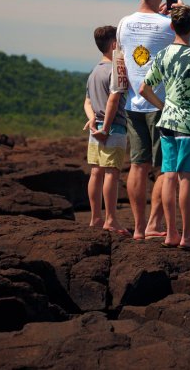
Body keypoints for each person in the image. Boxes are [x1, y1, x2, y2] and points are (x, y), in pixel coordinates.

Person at [114, 0, 190, 240]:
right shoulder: (168, 25)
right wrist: (182, 8)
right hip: (163, 105)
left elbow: (120, 56)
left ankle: (138, 228)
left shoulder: (124, 23)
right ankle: (153, 224)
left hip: (133, 103)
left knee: (138, 165)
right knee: (167, 169)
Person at [138, 4, 190, 250]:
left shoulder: (162, 55)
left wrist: (163, 105)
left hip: (166, 122)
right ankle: (187, 237)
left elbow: (143, 88)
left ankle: (170, 233)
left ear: (171, 26)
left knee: (168, 177)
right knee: (186, 179)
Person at [83, 25, 128, 235]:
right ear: (113, 45)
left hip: (95, 129)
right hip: (114, 128)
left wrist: (92, 121)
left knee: (96, 173)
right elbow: (114, 99)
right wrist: (107, 128)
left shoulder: (94, 71)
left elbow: (87, 102)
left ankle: (95, 218)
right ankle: (111, 220)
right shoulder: (116, 70)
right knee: (111, 174)